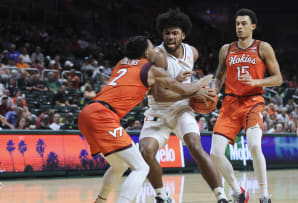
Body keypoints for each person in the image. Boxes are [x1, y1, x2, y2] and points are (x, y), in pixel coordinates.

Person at [78, 35, 214, 203]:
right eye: (152, 48)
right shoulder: (152, 69)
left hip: (87, 113)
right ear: (146, 52)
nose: (155, 50)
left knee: (119, 165)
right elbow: (182, 91)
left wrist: (174, 80)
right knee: (141, 168)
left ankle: (100, 200)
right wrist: (202, 82)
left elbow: (145, 88)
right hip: (103, 116)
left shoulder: (122, 63)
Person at [138, 9, 228, 203]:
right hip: (158, 111)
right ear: (162, 34)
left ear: (183, 35)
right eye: (167, 33)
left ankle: (221, 196)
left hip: (181, 110)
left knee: (196, 146)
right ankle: (162, 195)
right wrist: (193, 90)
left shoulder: (192, 53)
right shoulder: (156, 57)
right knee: (145, 151)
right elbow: (160, 96)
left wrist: (194, 92)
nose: (170, 37)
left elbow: (179, 83)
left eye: (174, 33)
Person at [211, 8, 282, 203]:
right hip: (229, 104)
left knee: (253, 145)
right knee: (215, 153)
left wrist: (256, 82)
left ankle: (265, 195)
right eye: (237, 24)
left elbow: (278, 79)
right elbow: (219, 77)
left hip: (253, 102)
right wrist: (212, 92)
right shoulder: (226, 49)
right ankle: (238, 190)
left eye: (243, 23)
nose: (239, 27)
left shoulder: (263, 47)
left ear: (253, 26)